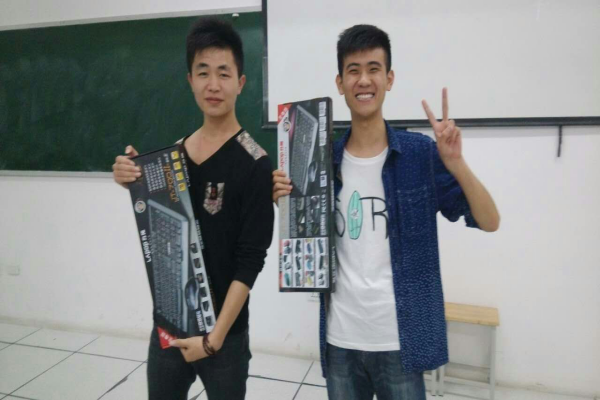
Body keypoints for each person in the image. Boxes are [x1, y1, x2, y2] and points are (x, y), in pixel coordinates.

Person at [272, 24, 500, 400]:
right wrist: (286, 203)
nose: (364, 80)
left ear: (389, 79)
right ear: (340, 82)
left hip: (400, 342)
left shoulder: (419, 154)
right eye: (353, 70)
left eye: (374, 69)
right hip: (340, 340)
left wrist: (456, 163)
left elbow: (490, 221)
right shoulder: (320, 160)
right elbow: (304, 246)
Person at [112, 17, 274, 400]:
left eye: (223, 73)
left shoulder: (255, 163)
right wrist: (132, 177)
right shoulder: (172, 157)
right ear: (190, 80)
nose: (213, 85)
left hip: (224, 338)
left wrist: (212, 340)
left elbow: (250, 261)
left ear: (241, 82)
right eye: (203, 73)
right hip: (169, 327)